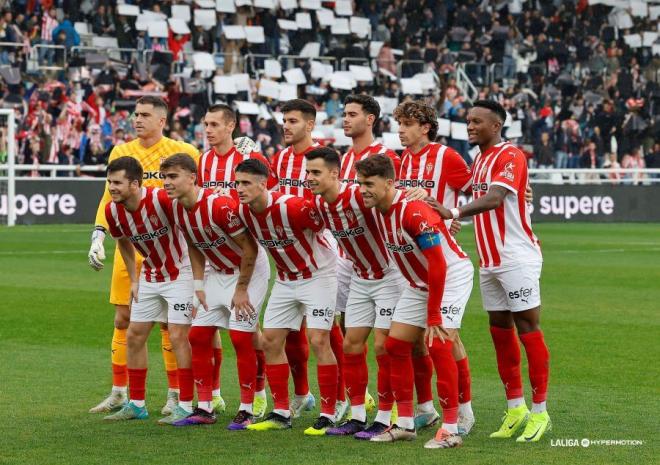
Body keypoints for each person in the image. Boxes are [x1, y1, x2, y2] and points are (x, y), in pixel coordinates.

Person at [430, 100, 551, 443]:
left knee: (528, 328)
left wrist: (451, 213)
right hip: (490, 260)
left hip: (516, 257)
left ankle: (540, 412)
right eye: (468, 121)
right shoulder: (479, 161)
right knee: (499, 331)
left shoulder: (509, 155)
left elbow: (495, 198)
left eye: (477, 121)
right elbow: (474, 193)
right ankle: (515, 408)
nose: (469, 126)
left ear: (495, 126)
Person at [87, 96, 200, 416]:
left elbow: (196, 196)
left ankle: (176, 395)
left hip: (168, 250)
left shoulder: (184, 152)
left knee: (170, 326)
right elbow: (108, 197)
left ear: (162, 121)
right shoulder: (121, 151)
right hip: (131, 248)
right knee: (123, 320)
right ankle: (120, 393)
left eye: (145, 115)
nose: (137, 119)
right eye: (135, 114)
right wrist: (99, 233)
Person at [354, 154, 462, 449]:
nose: (362, 189)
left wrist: (433, 317)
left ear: (389, 183)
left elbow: (439, 263)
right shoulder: (376, 205)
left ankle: (451, 429)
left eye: (368, 183)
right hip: (418, 282)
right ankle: (404, 423)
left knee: (439, 345)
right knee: (395, 346)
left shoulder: (413, 211)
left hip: (450, 277)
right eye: (360, 182)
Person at [160, 153, 270, 429]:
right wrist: (198, 286)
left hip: (249, 272)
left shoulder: (219, 205)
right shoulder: (177, 209)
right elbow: (194, 245)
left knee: (241, 338)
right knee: (197, 336)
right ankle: (205, 408)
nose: (166, 183)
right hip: (217, 273)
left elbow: (251, 248)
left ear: (192, 178)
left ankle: (248, 408)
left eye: (173, 177)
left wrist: (242, 289)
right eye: (164, 177)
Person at [304, 147, 405, 439]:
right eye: (308, 172)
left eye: (316, 173)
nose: (309, 178)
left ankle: (386, 416)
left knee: (383, 348)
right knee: (351, 345)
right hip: (361, 278)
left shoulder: (360, 197)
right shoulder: (320, 205)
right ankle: (358, 416)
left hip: (389, 276)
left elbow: (394, 199)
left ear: (334, 174)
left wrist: (427, 201)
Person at [235, 159, 339, 435]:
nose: (240, 189)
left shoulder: (293, 206)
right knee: (270, 340)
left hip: (319, 276)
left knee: (318, 339)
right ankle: (281, 412)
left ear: (263, 183)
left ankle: (329, 414)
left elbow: (329, 228)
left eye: (246, 183)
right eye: (237, 183)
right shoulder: (244, 213)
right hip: (285, 279)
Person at [393, 100, 476, 435]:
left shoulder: (447, 157)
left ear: (425, 126)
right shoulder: (398, 163)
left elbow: (477, 193)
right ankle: (425, 410)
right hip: (415, 264)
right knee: (414, 343)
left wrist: (451, 215)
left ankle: (463, 413)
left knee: (445, 337)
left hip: (444, 258)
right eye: (398, 123)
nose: (400, 129)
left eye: (407, 124)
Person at [195, 103, 278, 415]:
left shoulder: (249, 158)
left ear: (231, 126)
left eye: (215, 124)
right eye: (206, 123)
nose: (209, 129)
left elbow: (270, 191)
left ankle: (257, 396)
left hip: (248, 255)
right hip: (217, 259)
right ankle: (210, 399)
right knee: (203, 333)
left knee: (244, 337)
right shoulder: (202, 162)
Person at [101, 156, 195, 425]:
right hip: (151, 276)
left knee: (178, 336)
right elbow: (124, 244)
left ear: (134, 183)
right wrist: (134, 279)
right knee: (134, 335)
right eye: (109, 182)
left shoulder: (162, 200)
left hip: (181, 274)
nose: (112, 188)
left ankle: (186, 404)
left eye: (117, 182)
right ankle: (137, 404)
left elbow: (190, 227)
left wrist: (200, 279)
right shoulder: (113, 211)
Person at [269, 99, 346, 419]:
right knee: (289, 332)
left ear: (310, 125)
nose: (286, 126)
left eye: (293, 121)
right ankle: (302, 395)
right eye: (284, 120)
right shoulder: (279, 159)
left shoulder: (324, 159)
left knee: (327, 330)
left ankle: (343, 396)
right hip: (288, 253)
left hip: (322, 247)